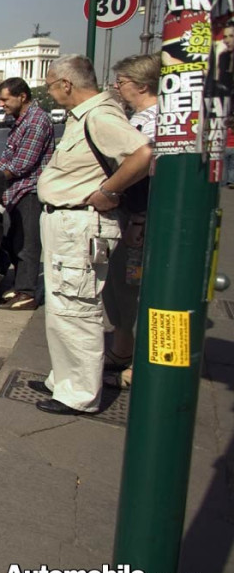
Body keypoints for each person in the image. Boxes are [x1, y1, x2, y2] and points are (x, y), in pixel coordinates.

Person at [31, 55, 152, 416]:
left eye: (52, 86)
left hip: (80, 224)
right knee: (62, 306)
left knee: (76, 307)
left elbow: (142, 153)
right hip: (67, 223)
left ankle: (79, 394)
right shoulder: (85, 116)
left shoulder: (100, 115)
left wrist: (109, 191)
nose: (51, 93)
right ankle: (63, 380)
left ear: (66, 84)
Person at [102, 54, 160, 390]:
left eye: (121, 82)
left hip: (138, 215)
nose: (117, 87)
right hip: (130, 214)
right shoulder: (137, 118)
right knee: (120, 287)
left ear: (141, 84)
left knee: (133, 289)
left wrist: (108, 189)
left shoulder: (152, 123)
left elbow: (143, 164)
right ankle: (122, 350)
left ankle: (138, 361)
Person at [0, 78, 54, 311]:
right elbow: (8, 157)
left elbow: (21, 164)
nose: (1, 104)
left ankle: (26, 293)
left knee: (27, 243)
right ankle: (20, 287)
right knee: (14, 241)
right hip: (17, 191)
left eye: (5, 99)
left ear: (22, 97)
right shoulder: (22, 121)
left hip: (29, 190)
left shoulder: (37, 122)